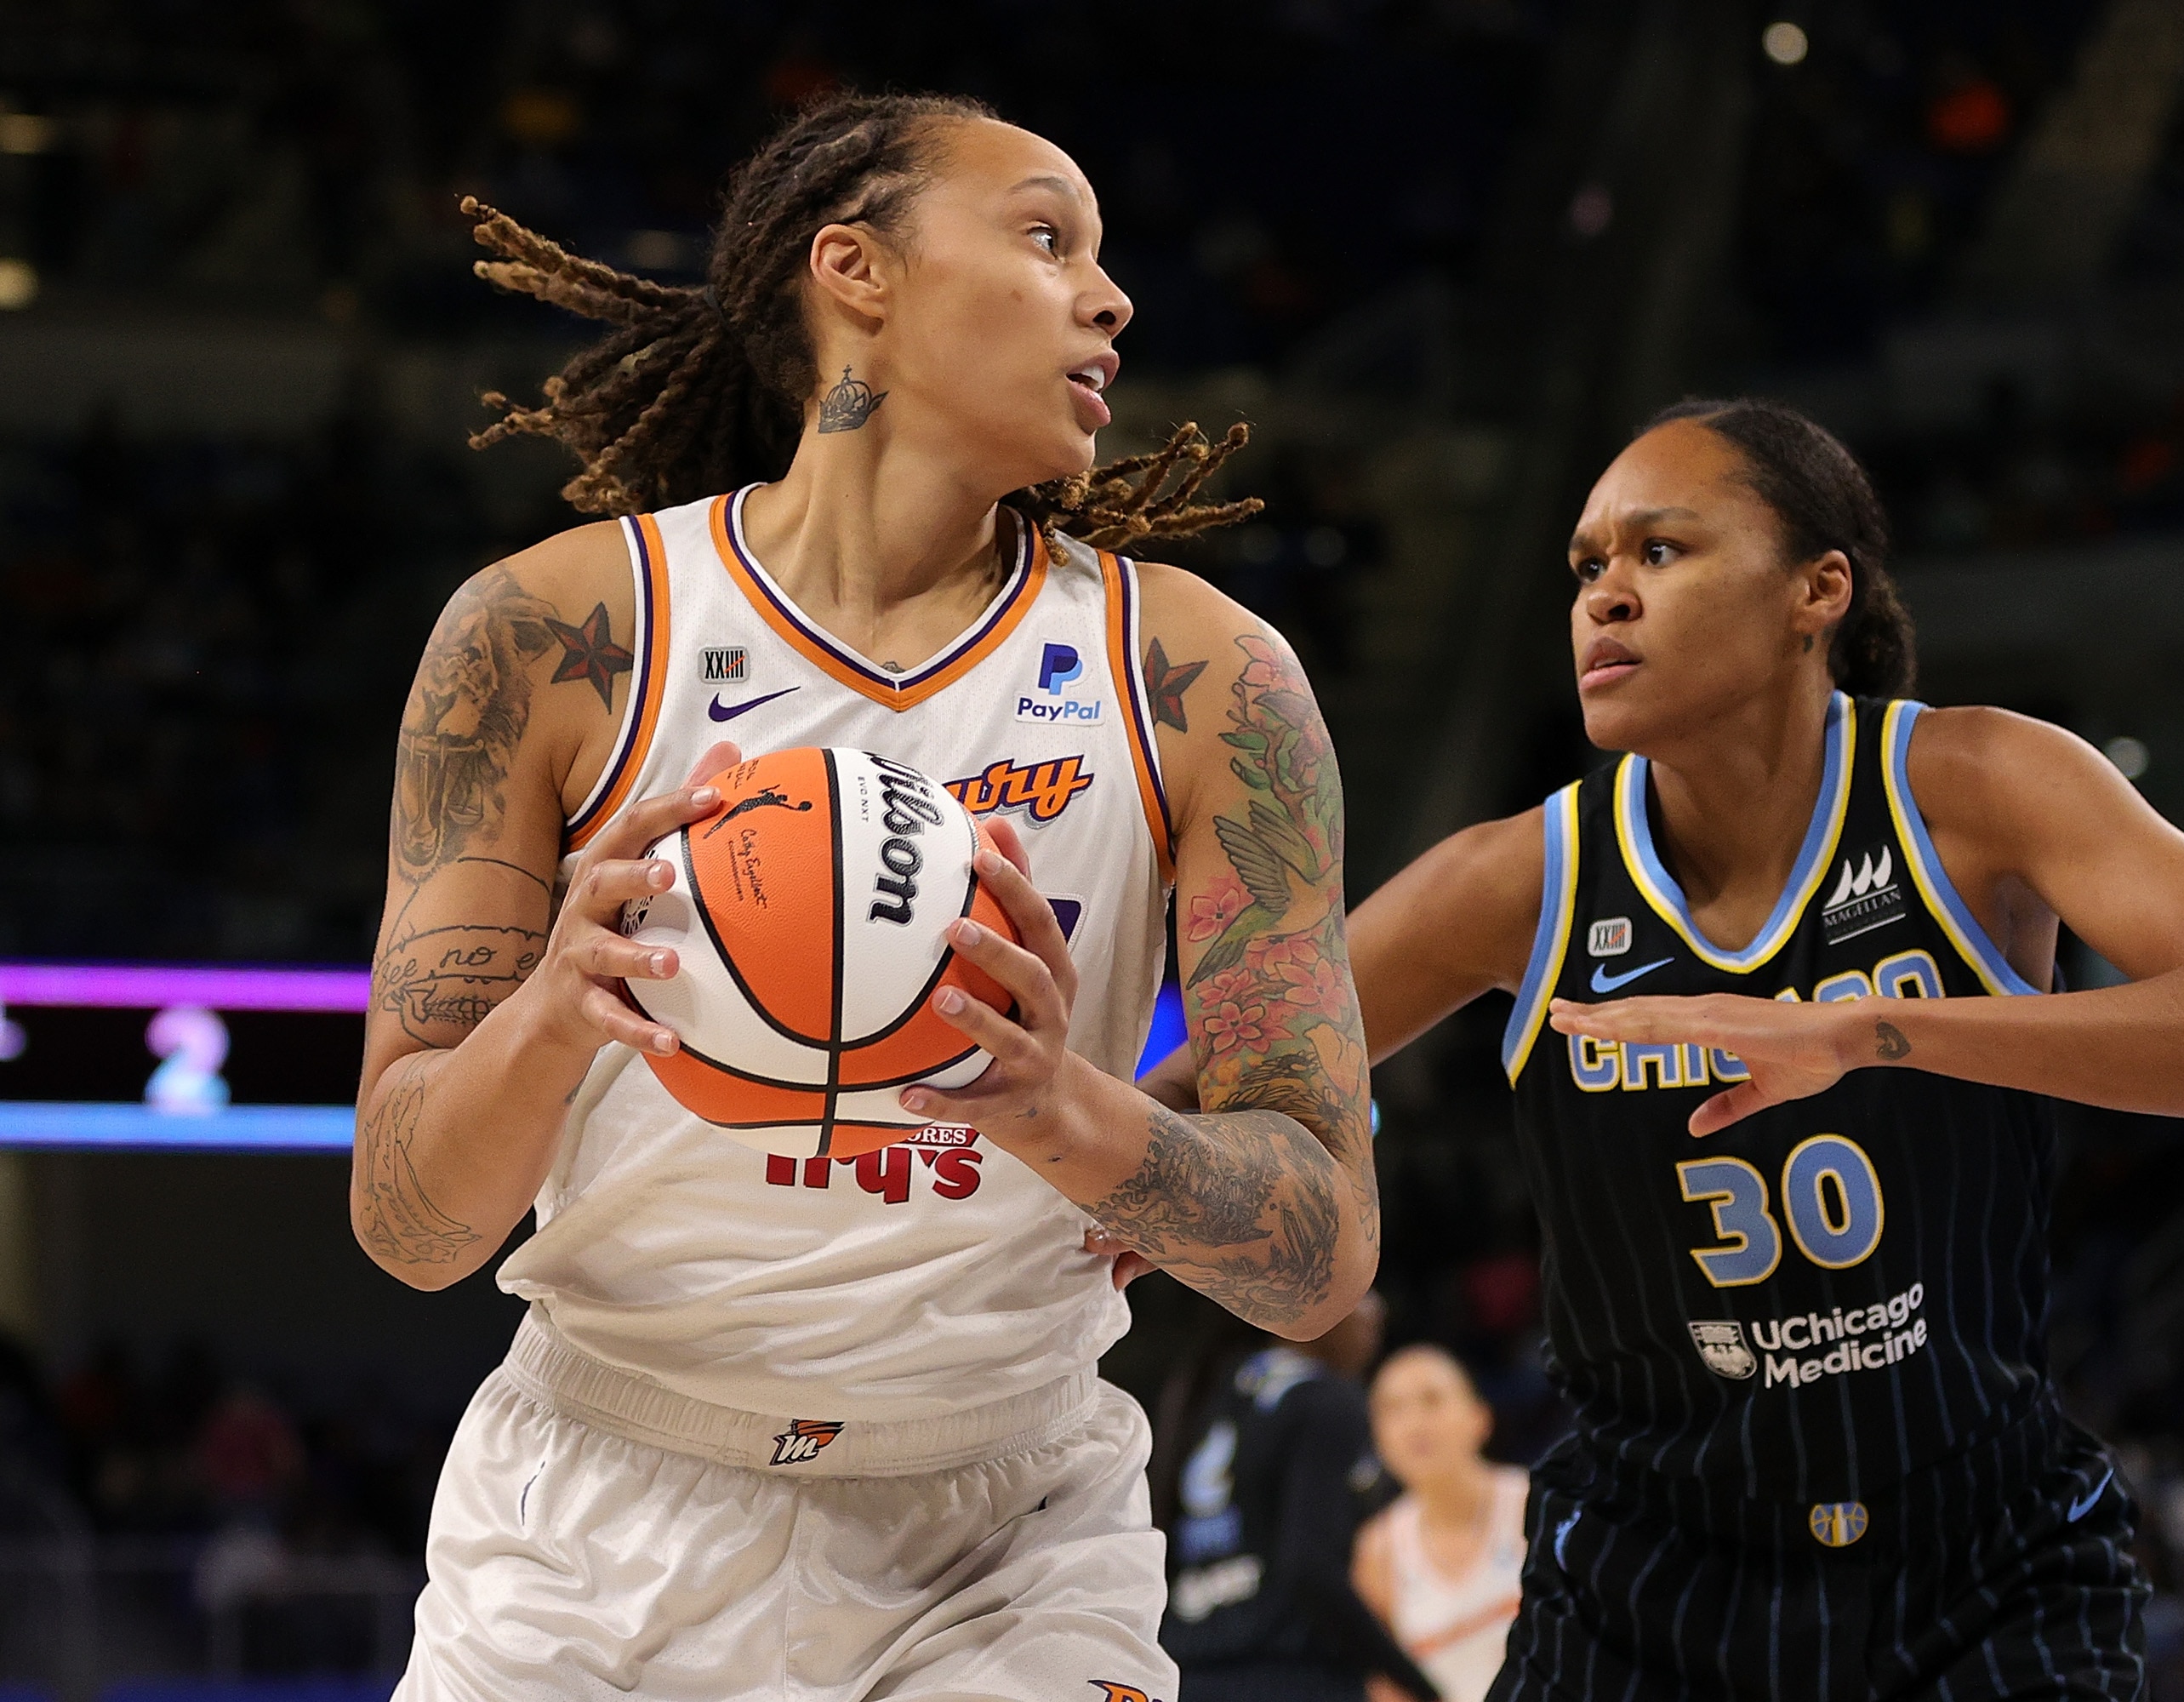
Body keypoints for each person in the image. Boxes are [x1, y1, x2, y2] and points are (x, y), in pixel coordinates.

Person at [353, 89, 1378, 1702]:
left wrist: (1061, 1109)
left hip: (1005, 1537)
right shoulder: (551, 637)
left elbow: (1319, 1257)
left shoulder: (1202, 678)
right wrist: (553, 1017)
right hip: (596, 1519)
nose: (1109, 299)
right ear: (857, 272)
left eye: (1103, 260)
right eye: (1047, 238)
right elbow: (409, 1221)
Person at [1136, 397, 2184, 1697]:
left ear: (1817, 590)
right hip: (1644, 1584)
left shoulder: (1977, 787)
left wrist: (1868, 1031)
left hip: (1979, 1564)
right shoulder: (1520, 881)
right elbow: (1195, 1092)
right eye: (1587, 567)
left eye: (1659, 552)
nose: (1605, 596)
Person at [1160, 1294, 1440, 1702]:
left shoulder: (1205, 1396)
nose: (1376, 1309)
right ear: (1306, 1303)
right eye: (1360, 1291)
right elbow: (1309, 1567)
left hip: (1188, 1676)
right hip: (1292, 1676)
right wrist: (1421, 1684)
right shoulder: (1326, 1400)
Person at [1354, 1346, 1530, 1702]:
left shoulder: (1531, 1502)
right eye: (1393, 1409)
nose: (1414, 1424)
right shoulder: (1379, 1549)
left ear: (1480, 1417)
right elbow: (1389, 1688)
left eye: (1432, 1400)